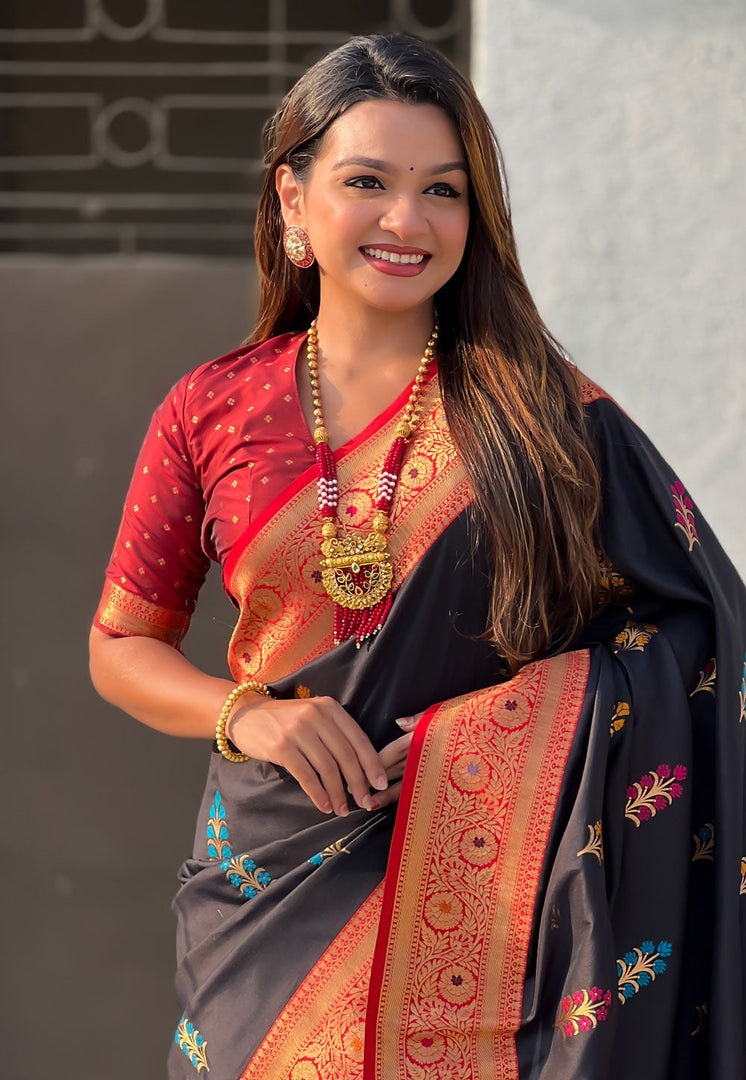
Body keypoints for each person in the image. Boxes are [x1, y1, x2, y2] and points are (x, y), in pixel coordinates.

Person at [89, 33, 746, 1080]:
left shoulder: (544, 416)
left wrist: (486, 736)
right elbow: (122, 642)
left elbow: (696, 625)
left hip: (499, 897)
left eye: (441, 190)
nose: (407, 220)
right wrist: (247, 713)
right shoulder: (211, 408)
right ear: (293, 202)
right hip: (267, 880)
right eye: (366, 182)